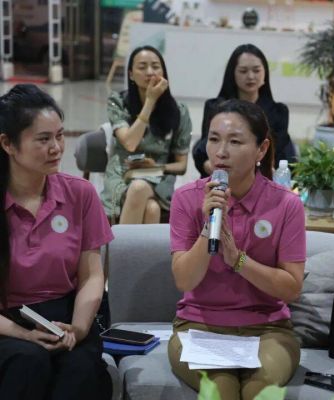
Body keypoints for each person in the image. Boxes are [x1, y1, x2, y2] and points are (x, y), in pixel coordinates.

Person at [168, 99, 305, 399]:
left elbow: (292, 288)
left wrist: (238, 260)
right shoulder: (186, 199)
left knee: (258, 392)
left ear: (261, 149)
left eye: (235, 141)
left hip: (268, 329)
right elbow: (184, 280)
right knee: (221, 392)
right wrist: (209, 226)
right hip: (199, 326)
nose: (221, 151)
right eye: (214, 139)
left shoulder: (286, 204)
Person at [0, 84, 113, 399]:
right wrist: (23, 334)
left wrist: (78, 328)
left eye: (60, 136)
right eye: (43, 139)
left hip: (67, 315)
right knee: (28, 360)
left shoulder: (80, 194)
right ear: (8, 144)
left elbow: (92, 276)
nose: (57, 148)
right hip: (7, 322)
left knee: (81, 368)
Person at [101, 45, 193, 224]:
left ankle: (120, 244)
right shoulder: (118, 102)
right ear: (131, 74)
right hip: (122, 174)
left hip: (158, 176)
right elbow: (130, 143)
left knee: (139, 188)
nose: (150, 72)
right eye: (142, 67)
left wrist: (157, 166)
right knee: (151, 208)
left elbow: (182, 166)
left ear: (163, 73)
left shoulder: (179, 111)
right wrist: (150, 101)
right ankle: (134, 244)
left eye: (155, 66)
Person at [192, 43, 296, 177]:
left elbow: (281, 154)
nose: (251, 76)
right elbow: (203, 150)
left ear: (265, 73)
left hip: (262, 179)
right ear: (232, 74)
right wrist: (211, 167)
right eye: (243, 71)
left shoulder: (278, 111)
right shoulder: (216, 107)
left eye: (256, 70)